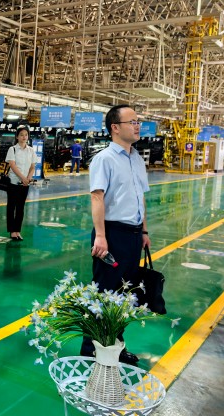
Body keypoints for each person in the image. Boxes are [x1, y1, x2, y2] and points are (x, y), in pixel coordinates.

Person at [80, 104, 150, 366]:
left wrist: (144, 230)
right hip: (111, 234)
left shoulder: (137, 159)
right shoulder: (104, 159)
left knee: (125, 294)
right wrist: (101, 236)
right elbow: (97, 197)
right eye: (132, 121)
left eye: (138, 121)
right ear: (115, 127)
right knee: (103, 293)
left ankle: (115, 347)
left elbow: (140, 197)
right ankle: (91, 349)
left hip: (133, 236)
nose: (137, 126)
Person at [4, 125, 37, 241]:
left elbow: (32, 167)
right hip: (13, 183)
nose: (24, 137)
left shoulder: (31, 150)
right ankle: (12, 231)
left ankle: (17, 230)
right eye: (21, 135)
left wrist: (28, 178)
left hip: (25, 184)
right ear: (17, 137)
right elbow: (12, 166)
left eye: (26, 135)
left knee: (20, 208)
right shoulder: (12, 149)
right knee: (11, 207)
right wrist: (23, 178)